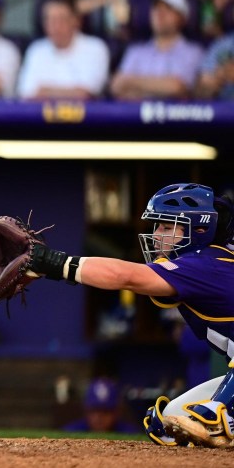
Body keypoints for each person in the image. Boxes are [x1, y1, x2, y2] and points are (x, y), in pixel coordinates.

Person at [17, 182, 234, 448]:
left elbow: (125, 276)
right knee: (168, 422)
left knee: (213, 419)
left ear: (200, 230)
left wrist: (53, 263)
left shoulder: (205, 264)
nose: (156, 235)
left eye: (167, 227)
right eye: (157, 226)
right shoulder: (206, 261)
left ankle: (224, 426)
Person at [109, 0, 204, 101]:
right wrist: (160, 88)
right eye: (156, 8)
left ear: (182, 18)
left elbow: (177, 87)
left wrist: (131, 81)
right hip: (136, 118)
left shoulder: (193, 52)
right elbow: (117, 86)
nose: (160, 14)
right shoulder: (136, 51)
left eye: (168, 9)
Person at [16, 0, 111, 100]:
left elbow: (85, 94)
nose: (56, 26)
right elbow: (26, 94)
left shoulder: (96, 48)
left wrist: (45, 91)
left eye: (61, 19)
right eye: (50, 20)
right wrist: (69, 92)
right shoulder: (36, 50)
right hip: (37, 115)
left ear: (76, 20)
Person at [62, 378, 141, 434]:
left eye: (106, 411)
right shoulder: (71, 432)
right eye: (94, 410)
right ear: (86, 411)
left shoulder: (130, 434)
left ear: (117, 412)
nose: (99, 417)